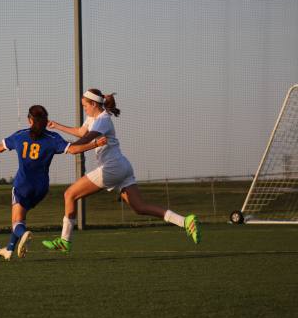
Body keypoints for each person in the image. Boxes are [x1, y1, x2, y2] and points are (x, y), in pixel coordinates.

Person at [42, 89, 201, 254]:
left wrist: (68, 147)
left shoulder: (102, 120)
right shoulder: (93, 118)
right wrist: (57, 126)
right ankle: (185, 221)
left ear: (94, 104)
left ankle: (64, 241)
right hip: (122, 166)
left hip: (111, 167)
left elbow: (86, 139)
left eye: (85, 106)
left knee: (70, 194)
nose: (84, 109)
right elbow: (82, 132)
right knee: (140, 207)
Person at [0, 104, 107, 261]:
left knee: (17, 222)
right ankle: (9, 249)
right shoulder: (53, 138)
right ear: (46, 120)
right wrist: (94, 144)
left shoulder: (20, 135)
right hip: (41, 188)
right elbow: (74, 150)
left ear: (29, 120)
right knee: (21, 215)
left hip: (23, 184)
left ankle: (23, 234)